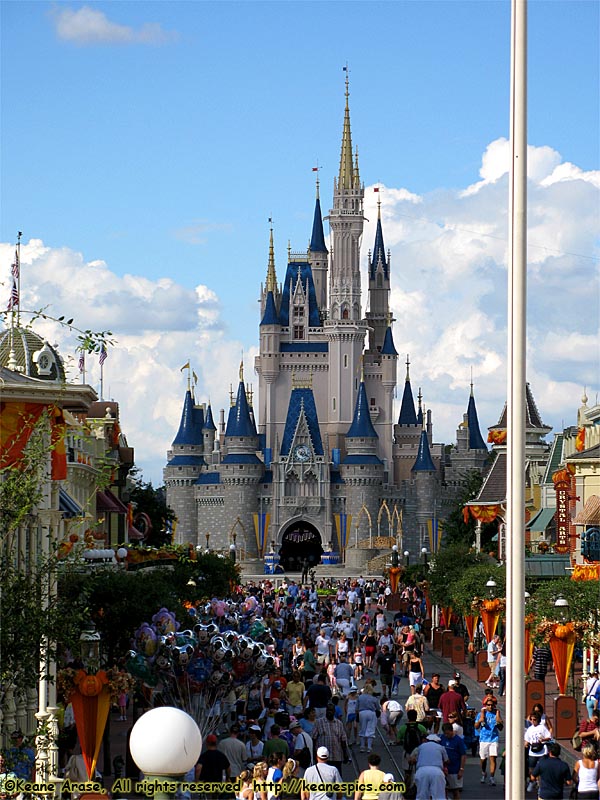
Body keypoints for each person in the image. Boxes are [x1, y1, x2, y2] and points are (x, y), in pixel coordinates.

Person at [409, 733, 449, 800]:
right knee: (439, 795)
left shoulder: (421, 747)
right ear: (437, 741)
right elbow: (446, 760)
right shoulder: (441, 747)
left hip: (422, 770)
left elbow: (411, 759)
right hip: (437, 771)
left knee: (422, 794)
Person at [475, 694, 504, 786]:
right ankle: (484, 772)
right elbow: (476, 726)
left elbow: (501, 728)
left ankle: (492, 776)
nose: (490, 706)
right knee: (483, 759)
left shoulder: (496, 714)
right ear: (485, 705)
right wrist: (479, 721)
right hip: (484, 738)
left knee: (493, 757)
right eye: (488, 705)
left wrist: (498, 720)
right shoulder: (481, 714)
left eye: (492, 705)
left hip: (493, 738)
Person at [311, 704, 348, 774]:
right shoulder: (319, 722)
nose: (329, 712)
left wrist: (345, 754)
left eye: (331, 710)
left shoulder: (339, 723)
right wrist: (314, 754)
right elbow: (313, 739)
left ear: (334, 712)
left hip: (336, 756)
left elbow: (343, 739)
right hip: (323, 757)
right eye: (328, 710)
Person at [524, 710, 553, 793]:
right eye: (531, 719)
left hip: (542, 751)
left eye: (534, 720)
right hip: (532, 751)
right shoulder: (529, 729)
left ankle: (540, 785)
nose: (533, 721)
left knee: (541, 768)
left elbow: (549, 737)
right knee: (531, 769)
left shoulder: (542, 728)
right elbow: (527, 740)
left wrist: (542, 739)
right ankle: (532, 781)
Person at [440, 723, 467, 800]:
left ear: (452, 731)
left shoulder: (458, 740)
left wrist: (461, 769)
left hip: (455, 770)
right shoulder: (442, 738)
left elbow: (463, 755)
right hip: (444, 770)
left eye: (448, 733)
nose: (446, 735)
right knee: (444, 790)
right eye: (445, 733)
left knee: (455, 791)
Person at [357, 684, 380, 754]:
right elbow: (378, 708)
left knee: (362, 729)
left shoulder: (360, 697)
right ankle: (369, 747)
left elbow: (356, 708)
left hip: (362, 712)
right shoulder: (373, 698)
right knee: (370, 730)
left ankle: (362, 746)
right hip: (371, 713)